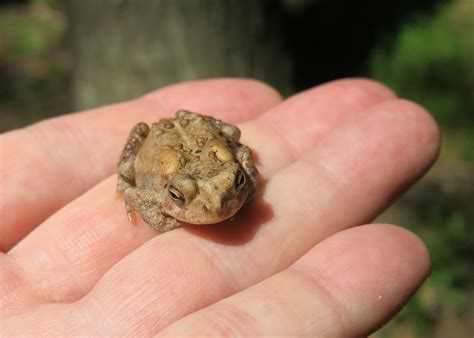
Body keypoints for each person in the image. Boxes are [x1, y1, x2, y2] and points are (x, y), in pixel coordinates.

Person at [0, 78, 439, 336]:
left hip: (204, 142)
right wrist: (155, 202)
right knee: (132, 164)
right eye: (186, 200)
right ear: (173, 192)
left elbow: (242, 156)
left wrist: (239, 181)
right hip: (167, 152)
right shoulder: (163, 188)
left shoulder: (233, 176)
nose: (217, 206)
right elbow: (138, 193)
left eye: (234, 189)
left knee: (228, 148)